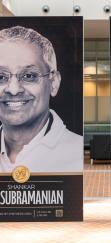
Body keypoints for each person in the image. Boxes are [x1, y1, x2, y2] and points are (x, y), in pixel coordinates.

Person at [0, 25, 83, 172]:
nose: (13, 90)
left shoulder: (77, 154)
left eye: (28, 76)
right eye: (1, 77)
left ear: (54, 83)